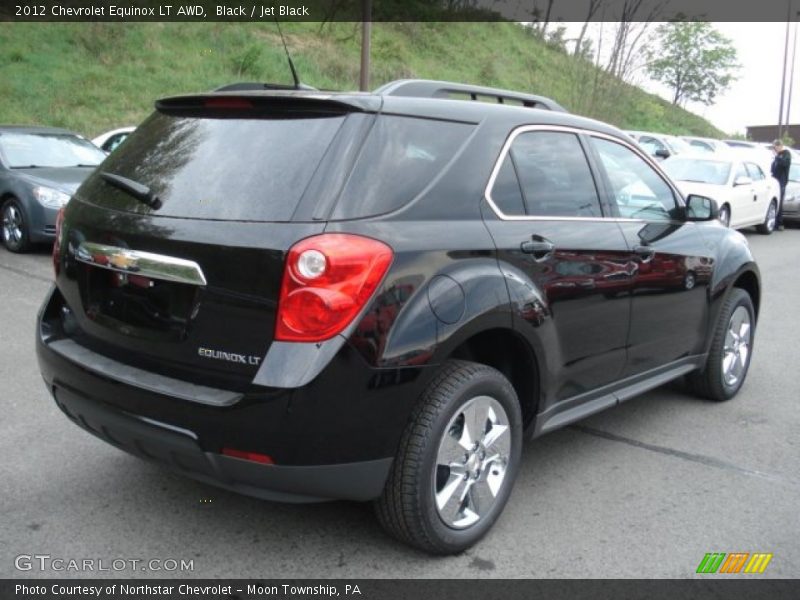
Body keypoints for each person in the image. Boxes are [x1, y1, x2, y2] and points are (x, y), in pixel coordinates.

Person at [770, 139, 792, 230]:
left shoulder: (786, 154)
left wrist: (777, 157)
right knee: (775, 201)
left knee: (779, 202)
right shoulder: (777, 156)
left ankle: (779, 223)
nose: (774, 150)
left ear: (779, 146)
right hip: (775, 181)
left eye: (775, 148)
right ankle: (774, 221)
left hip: (781, 182)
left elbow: (784, 164)